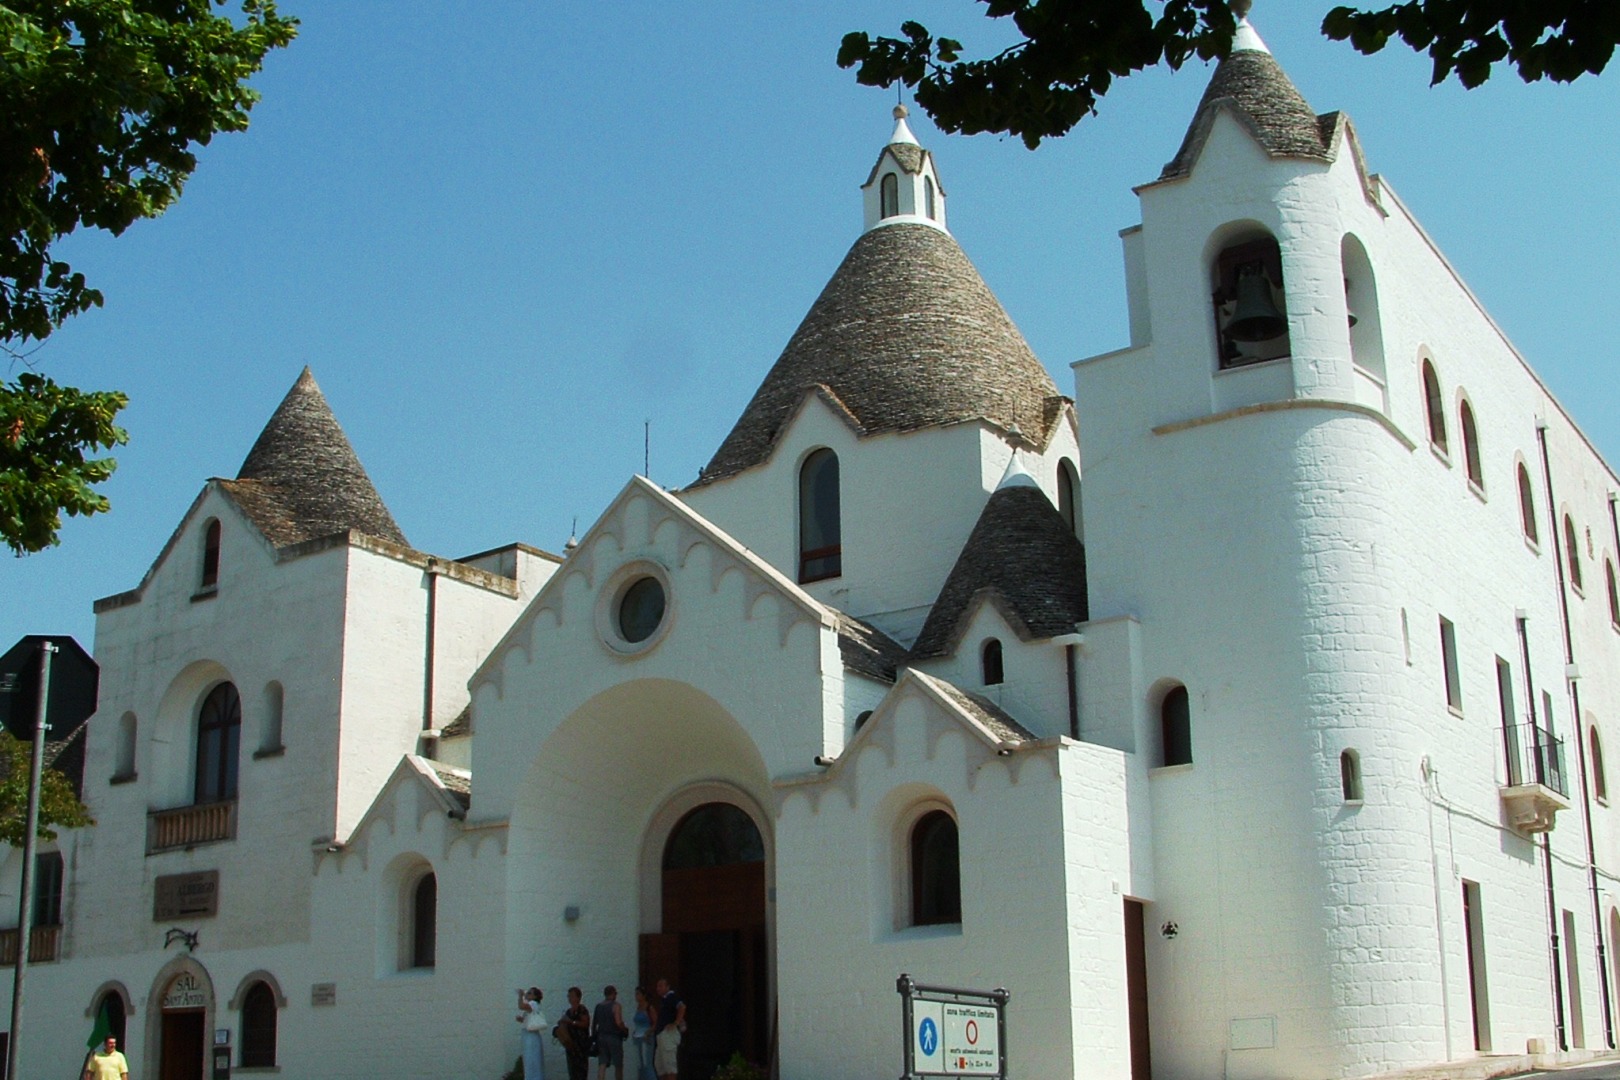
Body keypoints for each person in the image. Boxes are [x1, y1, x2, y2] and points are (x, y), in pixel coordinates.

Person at [592, 984, 628, 1080]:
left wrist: (594, 1037)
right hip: (614, 1037)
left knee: (602, 1064)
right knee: (618, 1065)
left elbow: (595, 1023)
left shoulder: (598, 1006)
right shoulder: (616, 1006)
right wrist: (624, 1029)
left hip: (601, 1037)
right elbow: (618, 1022)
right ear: (613, 994)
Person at [652, 977, 685, 1080]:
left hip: (668, 1035)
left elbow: (682, 1007)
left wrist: (676, 1022)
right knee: (660, 1066)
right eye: (657, 986)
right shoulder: (664, 1000)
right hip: (661, 1035)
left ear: (668, 987)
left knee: (670, 1066)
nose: (658, 988)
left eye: (661, 986)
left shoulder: (672, 997)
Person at [560, 985, 592, 1080]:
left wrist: (572, 1022)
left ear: (578, 997)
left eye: (572, 996)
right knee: (572, 1071)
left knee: (581, 1071)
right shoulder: (568, 1012)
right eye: (568, 996)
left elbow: (585, 1023)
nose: (570, 998)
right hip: (571, 1045)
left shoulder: (582, 1010)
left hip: (581, 1045)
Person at [516, 986, 547, 1080]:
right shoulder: (532, 1006)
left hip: (531, 1038)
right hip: (528, 1036)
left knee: (532, 1062)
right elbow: (529, 1020)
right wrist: (522, 1019)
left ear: (534, 997)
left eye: (529, 993)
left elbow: (521, 1006)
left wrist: (520, 996)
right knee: (530, 1063)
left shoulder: (533, 1004)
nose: (527, 994)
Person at [628, 986, 657, 1080]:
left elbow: (656, 1023)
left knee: (647, 1063)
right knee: (640, 1064)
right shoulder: (637, 1007)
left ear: (644, 995)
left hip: (646, 1038)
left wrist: (648, 1032)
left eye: (638, 994)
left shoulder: (649, 1008)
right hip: (637, 1038)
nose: (636, 996)